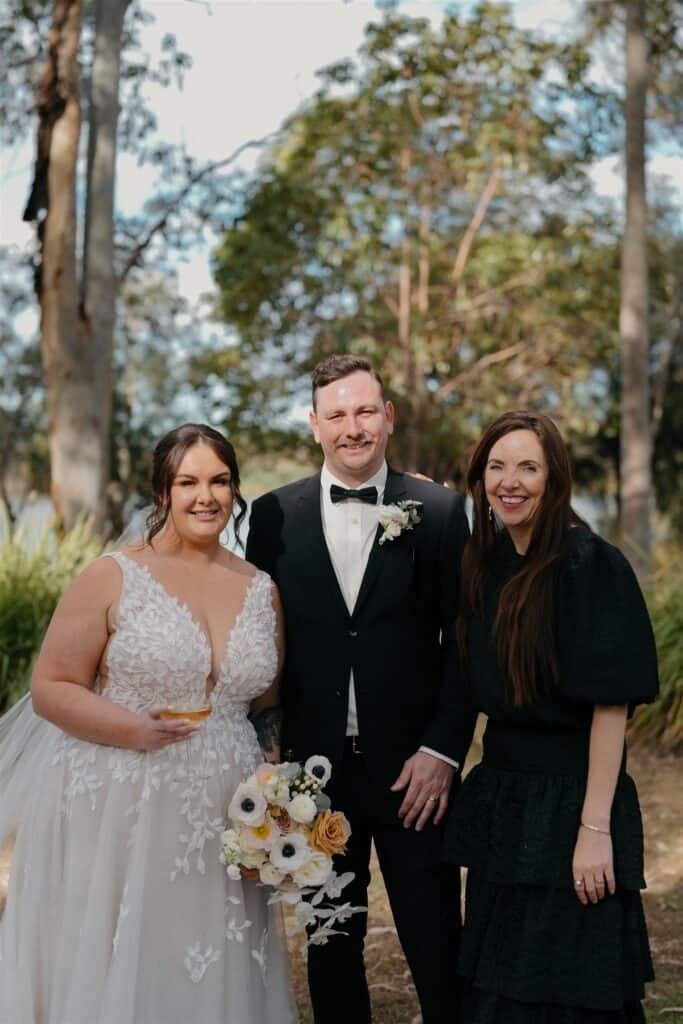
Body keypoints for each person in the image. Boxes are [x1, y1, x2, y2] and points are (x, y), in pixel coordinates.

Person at [0, 424, 295, 1024]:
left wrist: (278, 788)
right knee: (129, 947)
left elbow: (264, 704)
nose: (204, 496)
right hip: (123, 797)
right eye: (188, 482)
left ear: (236, 491)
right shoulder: (113, 575)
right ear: (163, 492)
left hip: (228, 810)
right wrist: (133, 729)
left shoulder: (262, 588)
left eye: (218, 481)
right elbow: (50, 687)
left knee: (214, 947)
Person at [246, 354, 469, 1024]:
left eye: (365, 411)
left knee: (437, 946)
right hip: (313, 777)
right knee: (331, 947)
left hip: (414, 777)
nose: (353, 427)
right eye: (336, 414)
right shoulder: (269, 516)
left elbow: (466, 645)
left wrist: (443, 751)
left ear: (388, 417)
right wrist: (270, 751)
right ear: (313, 425)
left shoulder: (438, 510)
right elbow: (261, 643)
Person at [442, 410, 659, 1023]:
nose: (510, 482)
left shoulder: (590, 564)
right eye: (497, 467)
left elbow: (610, 705)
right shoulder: (481, 564)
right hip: (504, 803)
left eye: (528, 467)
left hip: (573, 802)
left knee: (570, 988)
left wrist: (594, 831)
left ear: (553, 477)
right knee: (498, 991)